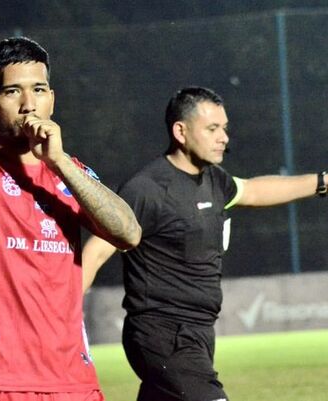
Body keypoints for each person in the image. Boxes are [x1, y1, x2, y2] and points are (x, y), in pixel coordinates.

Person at [0, 37, 141, 401]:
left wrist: (59, 162)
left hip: (75, 383)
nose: (29, 104)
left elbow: (128, 233)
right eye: (12, 92)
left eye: (38, 90)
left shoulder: (70, 173)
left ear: (51, 99)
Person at [82, 86, 327, 401]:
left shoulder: (214, 180)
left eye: (224, 128)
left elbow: (253, 190)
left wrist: (322, 182)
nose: (223, 137)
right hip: (162, 334)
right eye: (212, 129)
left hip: (199, 333)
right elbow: (95, 252)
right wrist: (61, 322)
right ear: (181, 131)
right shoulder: (147, 189)